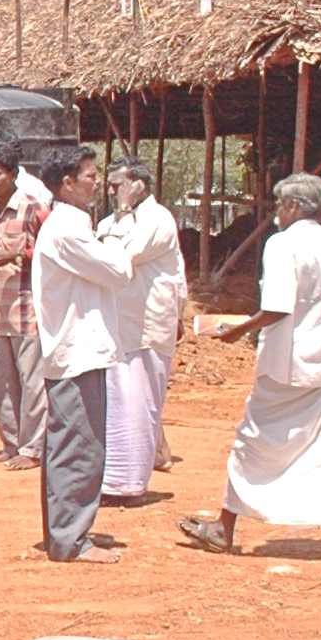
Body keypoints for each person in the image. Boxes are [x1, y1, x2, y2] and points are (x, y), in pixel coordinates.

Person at [181, 173, 321, 562]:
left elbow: (276, 308)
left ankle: (224, 528)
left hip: (284, 365)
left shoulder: (282, 244)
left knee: (252, 443)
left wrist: (239, 329)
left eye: (279, 204)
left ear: (292, 206)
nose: (277, 212)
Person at [30, 144, 136, 563]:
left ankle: (67, 532)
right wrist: (123, 219)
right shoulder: (67, 230)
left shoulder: (71, 225)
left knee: (75, 443)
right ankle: (69, 538)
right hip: (76, 351)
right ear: (68, 183)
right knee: (79, 446)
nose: (98, 183)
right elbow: (119, 270)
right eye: (91, 176)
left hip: (80, 349)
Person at [98, 156, 187, 501]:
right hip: (117, 324)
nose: (111, 191)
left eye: (117, 185)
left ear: (138, 185)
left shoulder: (157, 219)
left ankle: (129, 485)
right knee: (119, 400)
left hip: (147, 324)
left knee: (140, 400)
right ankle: (117, 478)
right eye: (109, 185)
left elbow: (120, 257)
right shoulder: (109, 222)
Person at [0, 143, 50, 469]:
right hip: (0, 311)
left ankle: (32, 449)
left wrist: (16, 255)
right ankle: (11, 444)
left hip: (29, 309)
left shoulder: (33, 210)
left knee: (32, 384)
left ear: (13, 174)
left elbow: (51, 252)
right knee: (3, 384)